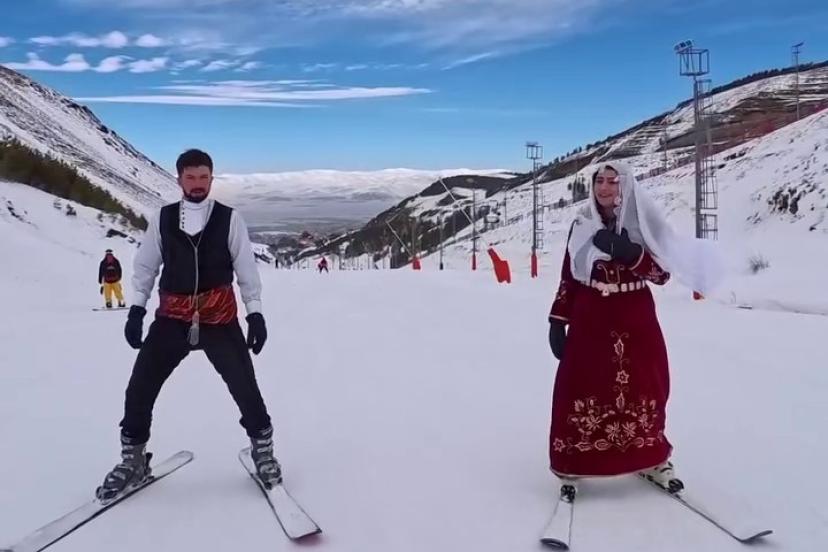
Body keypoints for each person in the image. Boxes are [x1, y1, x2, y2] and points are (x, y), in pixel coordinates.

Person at [96, 149, 280, 500]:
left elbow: (246, 268)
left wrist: (255, 312)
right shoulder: (163, 218)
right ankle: (133, 460)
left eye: (204, 177)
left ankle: (263, 451)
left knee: (245, 386)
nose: (198, 184)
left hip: (219, 317)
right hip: (172, 318)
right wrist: (136, 310)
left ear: (211, 178)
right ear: (179, 178)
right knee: (140, 388)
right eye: (191, 177)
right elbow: (146, 267)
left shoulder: (229, 218)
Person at [546, 161, 722, 503]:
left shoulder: (644, 222)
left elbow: (661, 275)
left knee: (646, 384)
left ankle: (651, 458)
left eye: (612, 181)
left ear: (625, 186)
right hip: (591, 316)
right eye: (599, 181)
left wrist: (631, 253)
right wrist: (557, 319)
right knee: (578, 384)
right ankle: (572, 462)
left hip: (635, 316)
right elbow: (569, 277)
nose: (604, 187)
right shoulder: (581, 224)